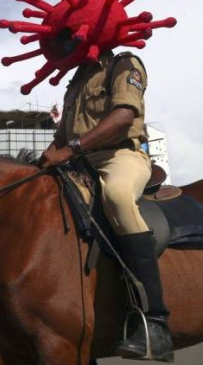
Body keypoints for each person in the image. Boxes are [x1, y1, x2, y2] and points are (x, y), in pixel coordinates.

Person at [40, 50, 173, 361]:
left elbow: (124, 115)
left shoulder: (123, 64)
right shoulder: (75, 83)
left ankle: (155, 323)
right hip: (79, 162)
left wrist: (71, 149)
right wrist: (38, 168)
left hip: (120, 156)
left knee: (116, 196)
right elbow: (61, 137)